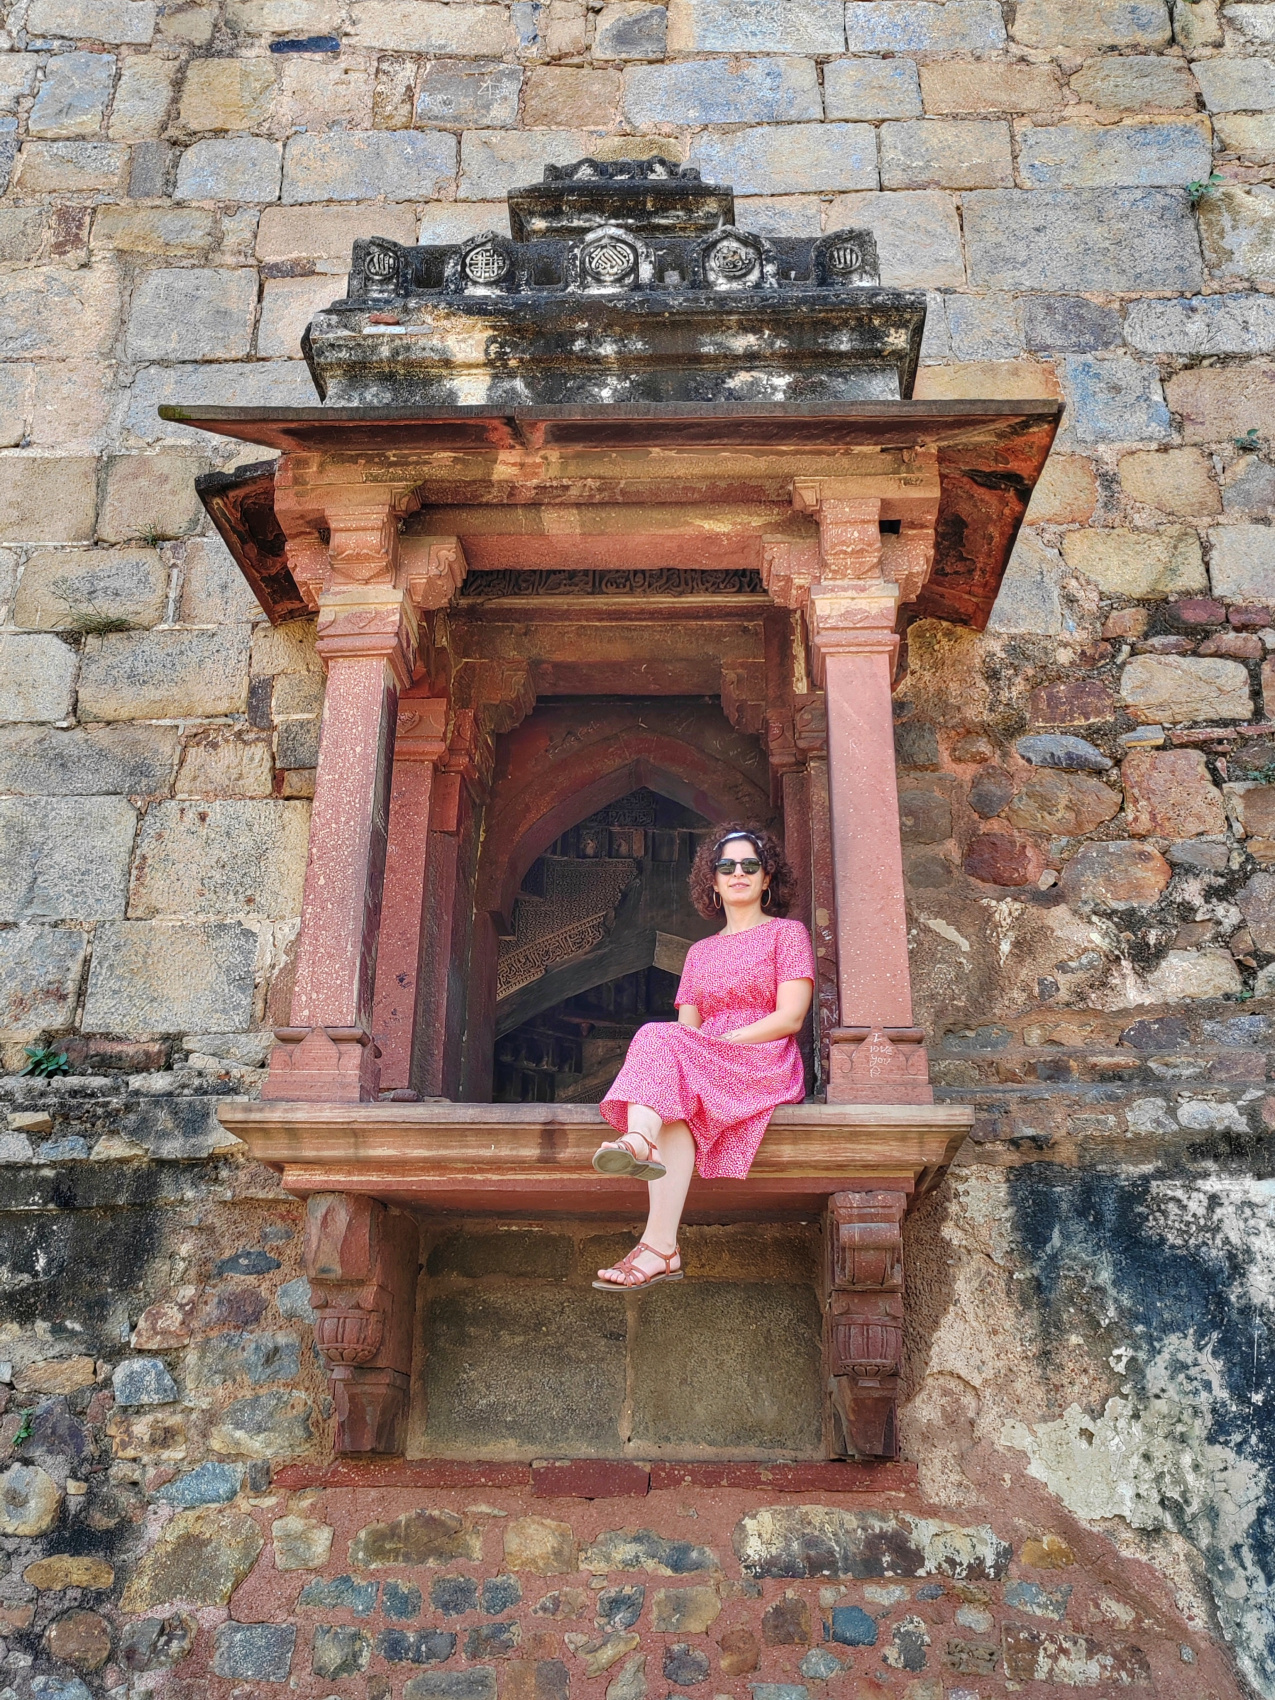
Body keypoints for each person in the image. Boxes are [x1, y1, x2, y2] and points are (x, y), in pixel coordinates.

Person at [591, 824, 815, 1292]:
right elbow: (688, 1031)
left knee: (656, 1034)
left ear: (767, 877)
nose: (739, 873)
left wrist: (729, 1040)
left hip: (762, 1060)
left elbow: (791, 1017)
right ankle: (660, 1247)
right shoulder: (699, 953)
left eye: (750, 865)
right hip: (705, 1060)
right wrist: (698, 1056)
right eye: (726, 866)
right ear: (712, 881)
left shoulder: (787, 934)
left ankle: (638, 1141)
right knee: (667, 1083)